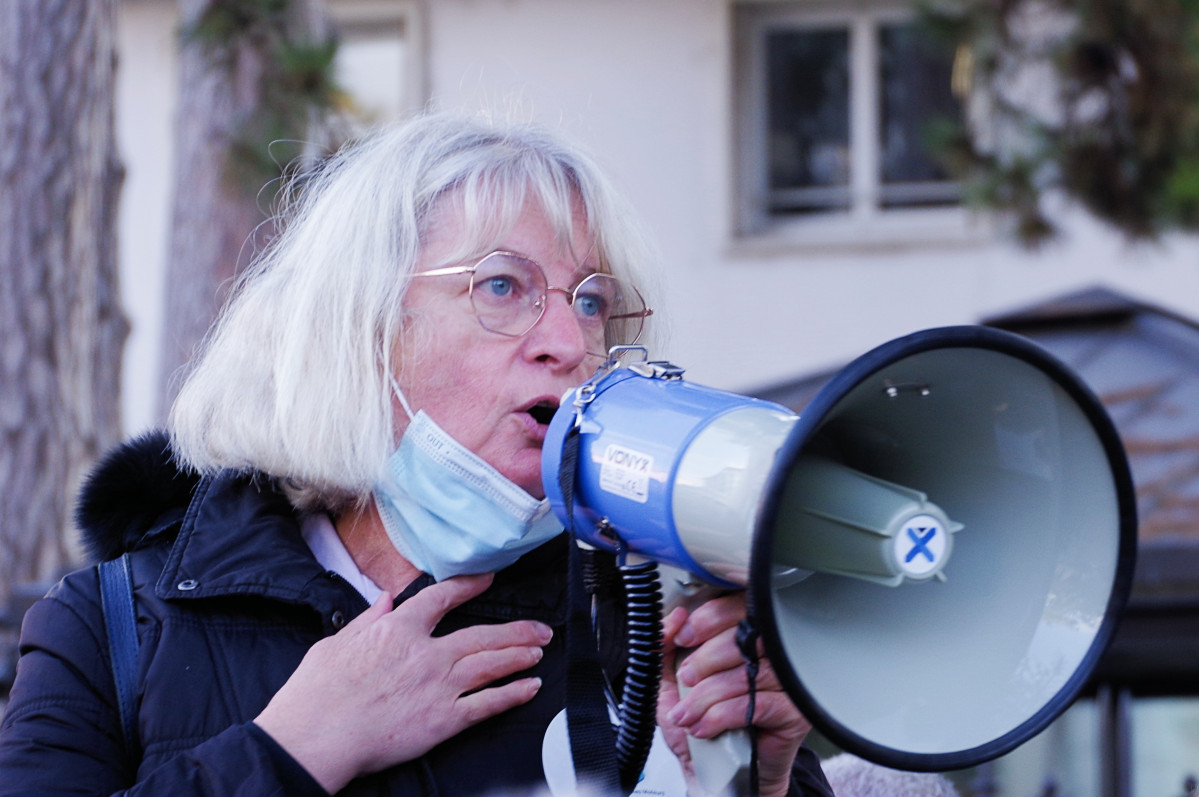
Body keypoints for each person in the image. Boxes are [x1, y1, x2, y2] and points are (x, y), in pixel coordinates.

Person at [0, 112, 832, 797]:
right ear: (359, 328)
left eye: (590, 301)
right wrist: (291, 748)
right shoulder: (110, 624)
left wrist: (754, 775)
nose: (568, 341)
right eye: (502, 286)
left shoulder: (644, 612)